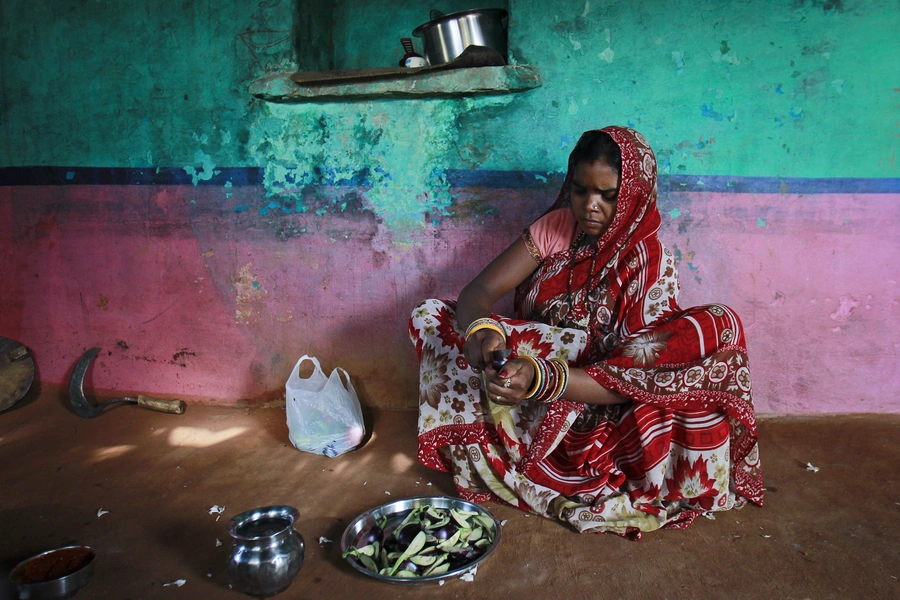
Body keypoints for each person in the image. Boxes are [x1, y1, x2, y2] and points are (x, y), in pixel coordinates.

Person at [409, 126, 763, 539]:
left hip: (595, 396)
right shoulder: (558, 227)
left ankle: (561, 457)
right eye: (579, 191)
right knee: (432, 316)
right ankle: (499, 445)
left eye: (607, 196)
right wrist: (483, 332)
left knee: (716, 327)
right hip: (523, 386)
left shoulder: (648, 259)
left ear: (633, 193)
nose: (589, 207)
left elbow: (633, 378)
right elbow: (479, 292)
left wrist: (542, 378)